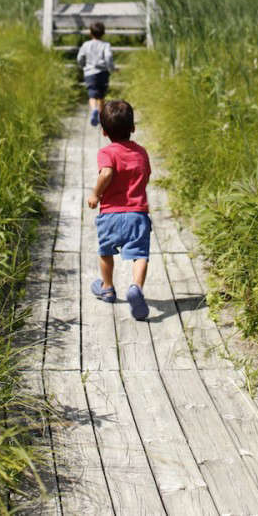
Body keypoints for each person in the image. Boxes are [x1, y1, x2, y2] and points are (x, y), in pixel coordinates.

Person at [88, 99, 151, 320]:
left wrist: (96, 194)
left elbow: (106, 174)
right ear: (133, 128)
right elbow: (145, 176)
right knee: (140, 255)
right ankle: (136, 287)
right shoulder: (141, 153)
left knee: (105, 252)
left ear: (104, 132)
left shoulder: (107, 152)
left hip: (111, 214)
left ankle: (107, 287)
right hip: (137, 214)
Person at [76, 21, 115, 126]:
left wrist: (83, 66)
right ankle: (101, 116)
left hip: (90, 73)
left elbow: (80, 58)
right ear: (103, 33)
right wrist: (111, 68)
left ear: (90, 33)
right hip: (103, 73)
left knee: (92, 94)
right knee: (101, 95)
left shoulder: (86, 45)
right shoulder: (106, 45)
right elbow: (108, 57)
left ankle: (94, 110)